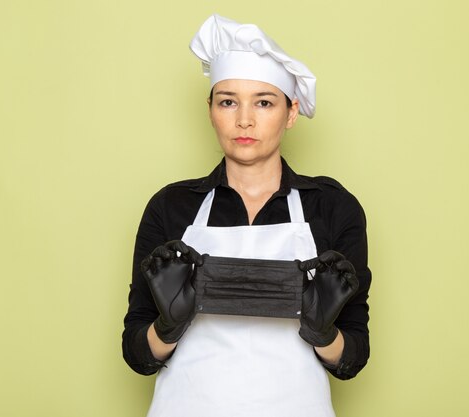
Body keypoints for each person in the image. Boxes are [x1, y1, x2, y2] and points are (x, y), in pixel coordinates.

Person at [122, 14, 371, 417]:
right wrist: (167, 326)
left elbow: (353, 356)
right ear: (210, 109)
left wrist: (322, 330)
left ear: (291, 113)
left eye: (264, 102)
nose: (244, 120)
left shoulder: (331, 207)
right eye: (228, 101)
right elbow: (137, 353)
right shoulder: (171, 207)